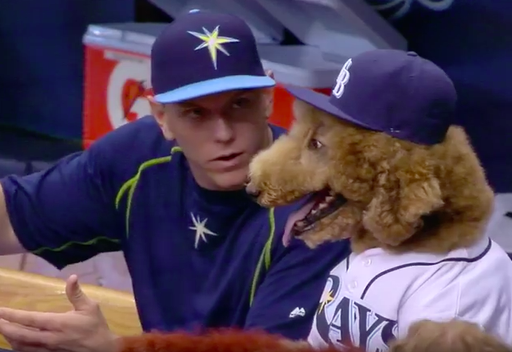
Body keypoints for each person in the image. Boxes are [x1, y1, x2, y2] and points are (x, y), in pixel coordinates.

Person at [0, 9, 350, 352]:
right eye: (196, 113)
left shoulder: (319, 207)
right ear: (162, 118)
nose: (223, 133)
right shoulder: (135, 161)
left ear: (268, 99)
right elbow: (8, 219)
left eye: (239, 104)